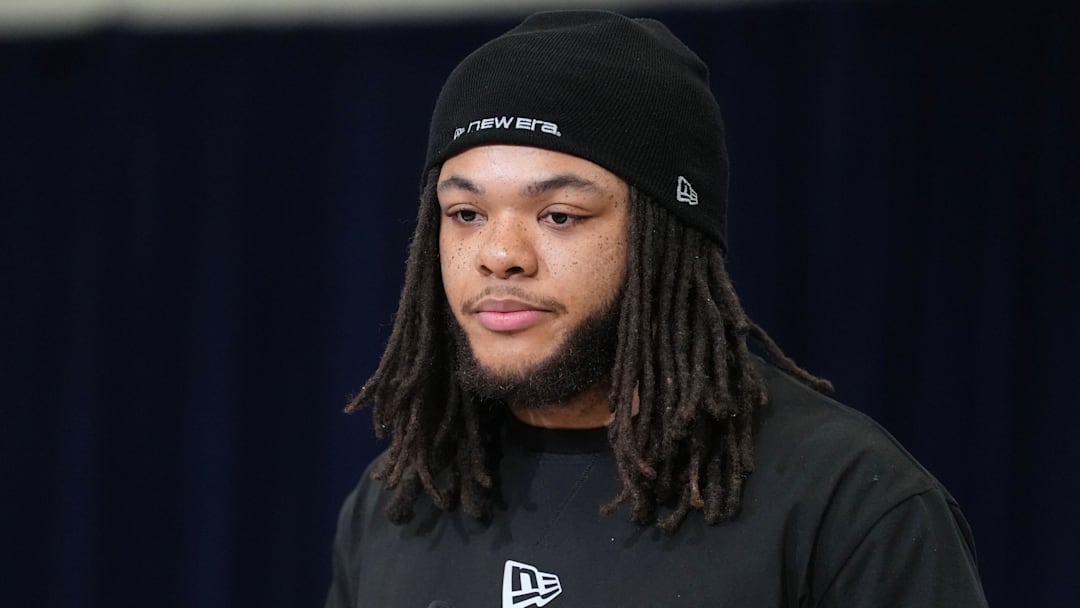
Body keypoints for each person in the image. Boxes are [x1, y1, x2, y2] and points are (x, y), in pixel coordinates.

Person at [325, 10, 988, 608]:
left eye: (559, 215)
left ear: (666, 233)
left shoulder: (851, 505)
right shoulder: (397, 502)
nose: (499, 254)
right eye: (465, 214)